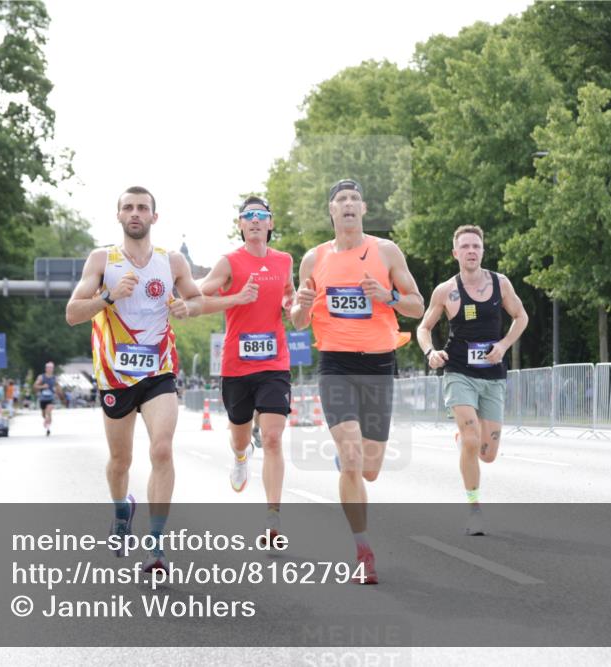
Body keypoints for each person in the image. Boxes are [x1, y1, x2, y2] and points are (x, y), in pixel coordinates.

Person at [291, 178, 424, 584]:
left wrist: (387, 296)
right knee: (351, 459)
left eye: (354, 199)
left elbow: (417, 306)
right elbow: (298, 321)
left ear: (363, 209)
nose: (348, 204)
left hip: (379, 365)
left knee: (370, 469)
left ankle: (349, 461)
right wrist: (301, 306)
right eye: (340, 199)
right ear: (331, 211)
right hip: (336, 365)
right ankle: (363, 551)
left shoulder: (386, 251)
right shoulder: (313, 259)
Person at [65, 185, 203, 572]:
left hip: (158, 370)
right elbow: (73, 313)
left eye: (143, 207)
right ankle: (121, 510)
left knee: (162, 450)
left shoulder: (172, 261)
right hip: (116, 375)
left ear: (154, 217)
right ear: (119, 216)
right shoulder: (102, 259)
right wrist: (108, 297)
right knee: (120, 460)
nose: (136, 213)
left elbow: (197, 299)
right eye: (128, 207)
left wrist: (186, 307)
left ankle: (156, 546)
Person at [416, 224, 529, 535]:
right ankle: (474, 509)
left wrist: (503, 345)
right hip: (459, 373)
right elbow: (423, 328)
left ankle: (466, 441)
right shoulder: (445, 291)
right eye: (465, 247)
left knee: (487, 454)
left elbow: (521, 316)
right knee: (470, 439)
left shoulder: (500, 283)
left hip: (492, 374)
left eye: (476, 246)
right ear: (455, 253)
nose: (471, 251)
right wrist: (430, 352)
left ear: (483, 251)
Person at [198, 195, 294, 541]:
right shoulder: (229, 262)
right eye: (248, 215)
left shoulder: (284, 260)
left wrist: (291, 304)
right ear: (240, 225)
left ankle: (273, 519)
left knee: (272, 438)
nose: (254, 220)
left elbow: (289, 293)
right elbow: (198, 298)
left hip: (274, 362)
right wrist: (235, 299)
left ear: (270, 223)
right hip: (237, 366)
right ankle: (240, 456)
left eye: (261, 215)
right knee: (240, 436)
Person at [33, 362, 63, 436]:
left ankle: (48, 427)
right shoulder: (41, 377)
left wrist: (59, 394)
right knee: (44, 414)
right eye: (48, 368)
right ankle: (47, 423)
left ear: (53, 369)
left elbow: (58, 387)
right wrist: (42, 386)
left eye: (51, 368)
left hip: (51, 397)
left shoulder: (54, 378)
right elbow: (35, 386)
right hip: (43, 398)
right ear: (46, 369)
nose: (50, 369)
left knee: (48, 411)